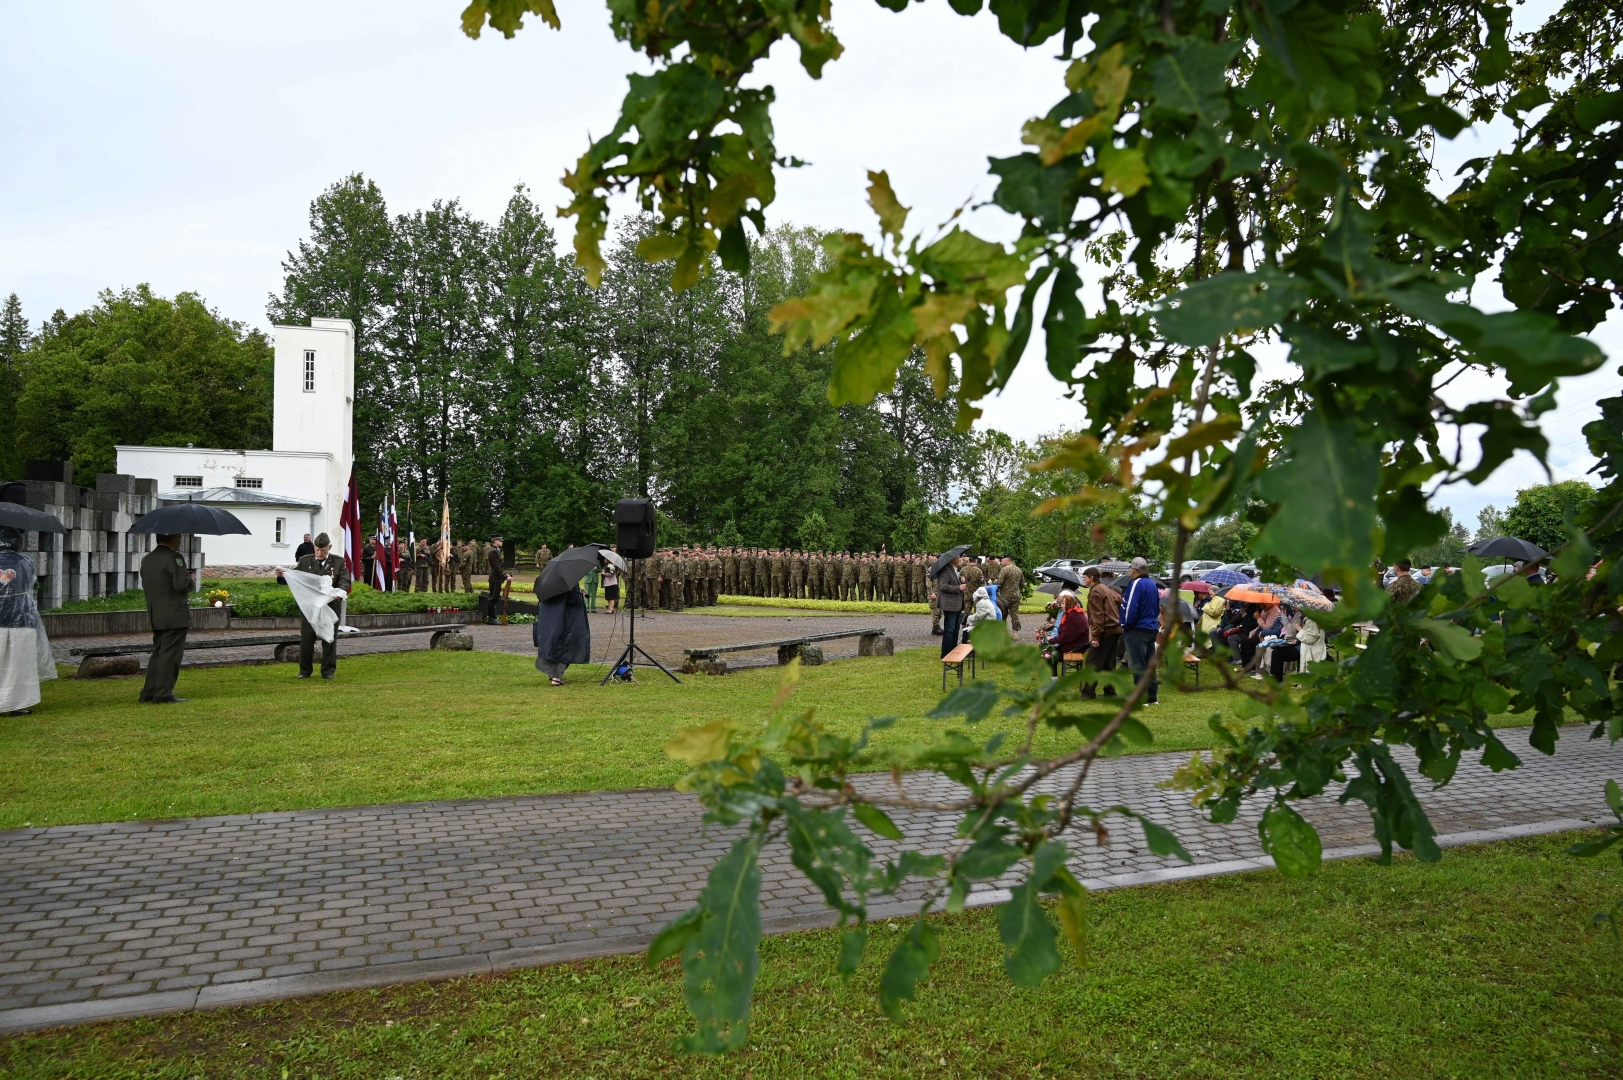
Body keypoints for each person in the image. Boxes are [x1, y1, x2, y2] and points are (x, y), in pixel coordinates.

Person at [280, 532, 351, 679]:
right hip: (310, 607)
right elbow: (295, 577)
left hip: (330, 606)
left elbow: (344, 581)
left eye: (323, 550)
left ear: (329, 547)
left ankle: (328, 671)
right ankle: (305, 671)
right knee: (307, 639)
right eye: (317, 550)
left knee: (329, 639)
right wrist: (282, 575)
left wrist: (340, 592)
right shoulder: (305, 561)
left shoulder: (338, 562)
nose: (319, 553)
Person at [0, 526, 55, 715]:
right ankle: (18, 704)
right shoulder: (25, 561)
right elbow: (31, 584)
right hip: (21, 618)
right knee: (20, 664)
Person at [139, 533, 194, 703]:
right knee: (170, 656)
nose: (180, 541)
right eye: (179, 538)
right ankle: (163, 693)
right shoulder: (174, 558)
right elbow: (181, 585)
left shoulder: (147, 559)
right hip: (175, 614)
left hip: (156, 613)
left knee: (158, 654)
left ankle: (149, 692)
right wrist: (190, 579)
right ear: (173, 538)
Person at [1118, 557, 1161, 705]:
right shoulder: (1152, 584)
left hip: (1136, 629)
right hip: (1150, 628)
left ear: (1134, 569)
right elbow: (1156, 607)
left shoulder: (1136, 583)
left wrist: (1125, 624)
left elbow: (1131, 607)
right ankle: (1152, 697)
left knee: (1137, 665)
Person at [533, 577, 590, 686]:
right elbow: (574, 599)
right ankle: (556, 678)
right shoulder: (570, 579)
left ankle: (552, 673)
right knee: (566, 645)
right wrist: (581, 594)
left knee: (552, 645)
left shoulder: (547, 579)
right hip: (565, 617)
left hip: (549, 617)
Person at [1082, 567, 1121, 698]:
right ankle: (1110, 691)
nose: (1084, 579)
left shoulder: (1095, 591)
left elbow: (1098, 616)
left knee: (1092, 662)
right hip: (1114, 629)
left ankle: (1088, 692)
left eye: (1085, 577)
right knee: (1109, 663)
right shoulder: (1104, 588)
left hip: (1105, 630)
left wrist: (1095, 637)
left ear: (1091, 578)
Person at [1045, 589, 1089, 675]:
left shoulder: (1074, 616)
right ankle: (1052, 678)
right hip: (1072, 644)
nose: (1061, 606)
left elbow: (1066, 637)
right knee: (1047, 651)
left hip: (1075, 647)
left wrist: (1051, 639)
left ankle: (1053, 680)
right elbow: (1063, 632)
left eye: (1063, 604)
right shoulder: (1071, 613)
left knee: (1049, 655)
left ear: (1070, 604)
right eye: (1061, 603)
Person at [936, 554, 965, 656]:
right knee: (950, 629)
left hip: (956, 604)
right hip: (949, 604)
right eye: (958, 558)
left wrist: (961, 580)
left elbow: (953, 582)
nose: (960, 560)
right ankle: (946, 653)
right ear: (953, 560)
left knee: (956, 629)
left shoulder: (954, 569)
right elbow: (943, 586)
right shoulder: (946, 570)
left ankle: (953, 651)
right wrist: (959, 588)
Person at [996, 556, 1025, 632]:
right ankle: (1015, 631)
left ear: (1007, 561)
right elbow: (1022, 582)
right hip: (1015, 596)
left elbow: (999, 582)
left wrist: (997, 589)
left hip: (1004, 597)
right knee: (1014, 614)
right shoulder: (1019, 569)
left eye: (1002, 561)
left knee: (1003, 614)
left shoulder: (1004, 569)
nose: (1001, 563)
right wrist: (1017, 589)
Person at [486, 536, 508, 623]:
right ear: (495, 541)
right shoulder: (493, 551)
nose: (502, 542)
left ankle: (493, 618)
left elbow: (500, 566)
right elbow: (496, 567)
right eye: (500, 541)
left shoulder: (496, 551)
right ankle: (492, 619)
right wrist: (505, 576)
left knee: (495, 598)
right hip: (495, 578)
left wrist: (505, 574)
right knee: (493, 598)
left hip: (497, 578)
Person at [602, 546, 621, 613]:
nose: (604, 559)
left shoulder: (611, 565)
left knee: (611, 597)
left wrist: (604, 573)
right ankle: (609, 608)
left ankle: (611, 609)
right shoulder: (606, 566)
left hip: (611, 583)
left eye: (605, 558)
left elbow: (611, 574)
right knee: (608, 597)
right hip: (607, 583)